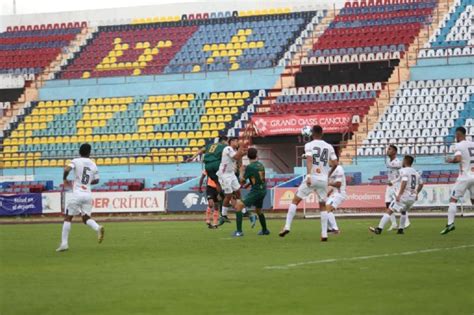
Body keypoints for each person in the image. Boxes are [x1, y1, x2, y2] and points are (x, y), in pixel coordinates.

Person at [279, 125, 338, 241]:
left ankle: (287, 226)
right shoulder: (329, 146)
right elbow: (335, 163)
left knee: (295, 200)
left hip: (313, 177)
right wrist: (328, 174)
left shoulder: (309, 145)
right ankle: (324, 234)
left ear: (312, 133)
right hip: (323, 180)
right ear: (322, 133)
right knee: (322, 206)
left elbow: (310, 160)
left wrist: (309, 175)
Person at [56, 143, 104, 252]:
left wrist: (64, 179)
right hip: (88, 194)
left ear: (79, 152)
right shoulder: (93, 164)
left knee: (68, 217)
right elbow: (97, 180)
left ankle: (64, 244)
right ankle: (97, 228)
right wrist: (86, 182)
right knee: (86, 218)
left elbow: (67, 169)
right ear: (89, 153)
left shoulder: (76, 161)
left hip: (77, 193)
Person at [370, 155, 423, 235]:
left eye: (403, 160)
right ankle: (400, 230)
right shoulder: (415, 172)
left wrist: (399, 194)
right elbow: (421, 184)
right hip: (412, 198)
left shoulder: (403, 170)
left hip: (404, 196)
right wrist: (416, 193)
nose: (402, 161)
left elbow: (404, 181)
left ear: (405, 161)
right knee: (404, 211)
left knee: (389, 210)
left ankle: (379, 229)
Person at [441, 127, 474, 235]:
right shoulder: (472, 144)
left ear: (458, 135)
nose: (455, 137)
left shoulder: (458, 146)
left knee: (453, 199)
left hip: (464, 177)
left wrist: (450, 160)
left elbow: (458, 159)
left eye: (456, 135)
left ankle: (450, 224)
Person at [233, 148, 269, 237]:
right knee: (258, 210)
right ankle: (265, 230)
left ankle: (239, 232)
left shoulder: (250, 167)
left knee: (238, 206)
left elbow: (242, 181)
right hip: (263, 190)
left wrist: (241, 171)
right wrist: (249, 184)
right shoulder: (261, 165)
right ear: (256, 155)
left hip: (256, 191)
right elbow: (257, 178)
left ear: (247, 156)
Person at [217, 137, 247, 225]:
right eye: (236, 141)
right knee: (229, 195)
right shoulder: (228, 148)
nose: (237, 142)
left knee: (238, 191)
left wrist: (243, 152)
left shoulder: (232, 150)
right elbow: (237, 157)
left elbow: (238, 156)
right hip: (224, 174)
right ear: (231, 142)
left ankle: (244, 211)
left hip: (231, 174)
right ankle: (223, 215)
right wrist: (241, 147)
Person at [385, 145, 410, 231]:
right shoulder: (388, 161)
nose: (387, 150)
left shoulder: (398, 163)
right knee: (388, 204)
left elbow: (402, 174)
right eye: (388, 149)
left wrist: (394, 181)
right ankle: (394, 224)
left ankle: (406, 221)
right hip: (389, 185)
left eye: (389, 149)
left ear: (394, 152)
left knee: (399, 204)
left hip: (396, 185)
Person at [326, 162, 346, 235]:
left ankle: (335, 229)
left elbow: (338, 184)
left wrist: (328, 184)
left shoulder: (339, 169)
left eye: (329, 159)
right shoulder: (330, 170)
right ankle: (330, 229)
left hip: (340, 193)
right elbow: (333, 184)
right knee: (325, 209)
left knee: (327, 208)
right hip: (335, 193)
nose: (328, 161)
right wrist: (329, 191)